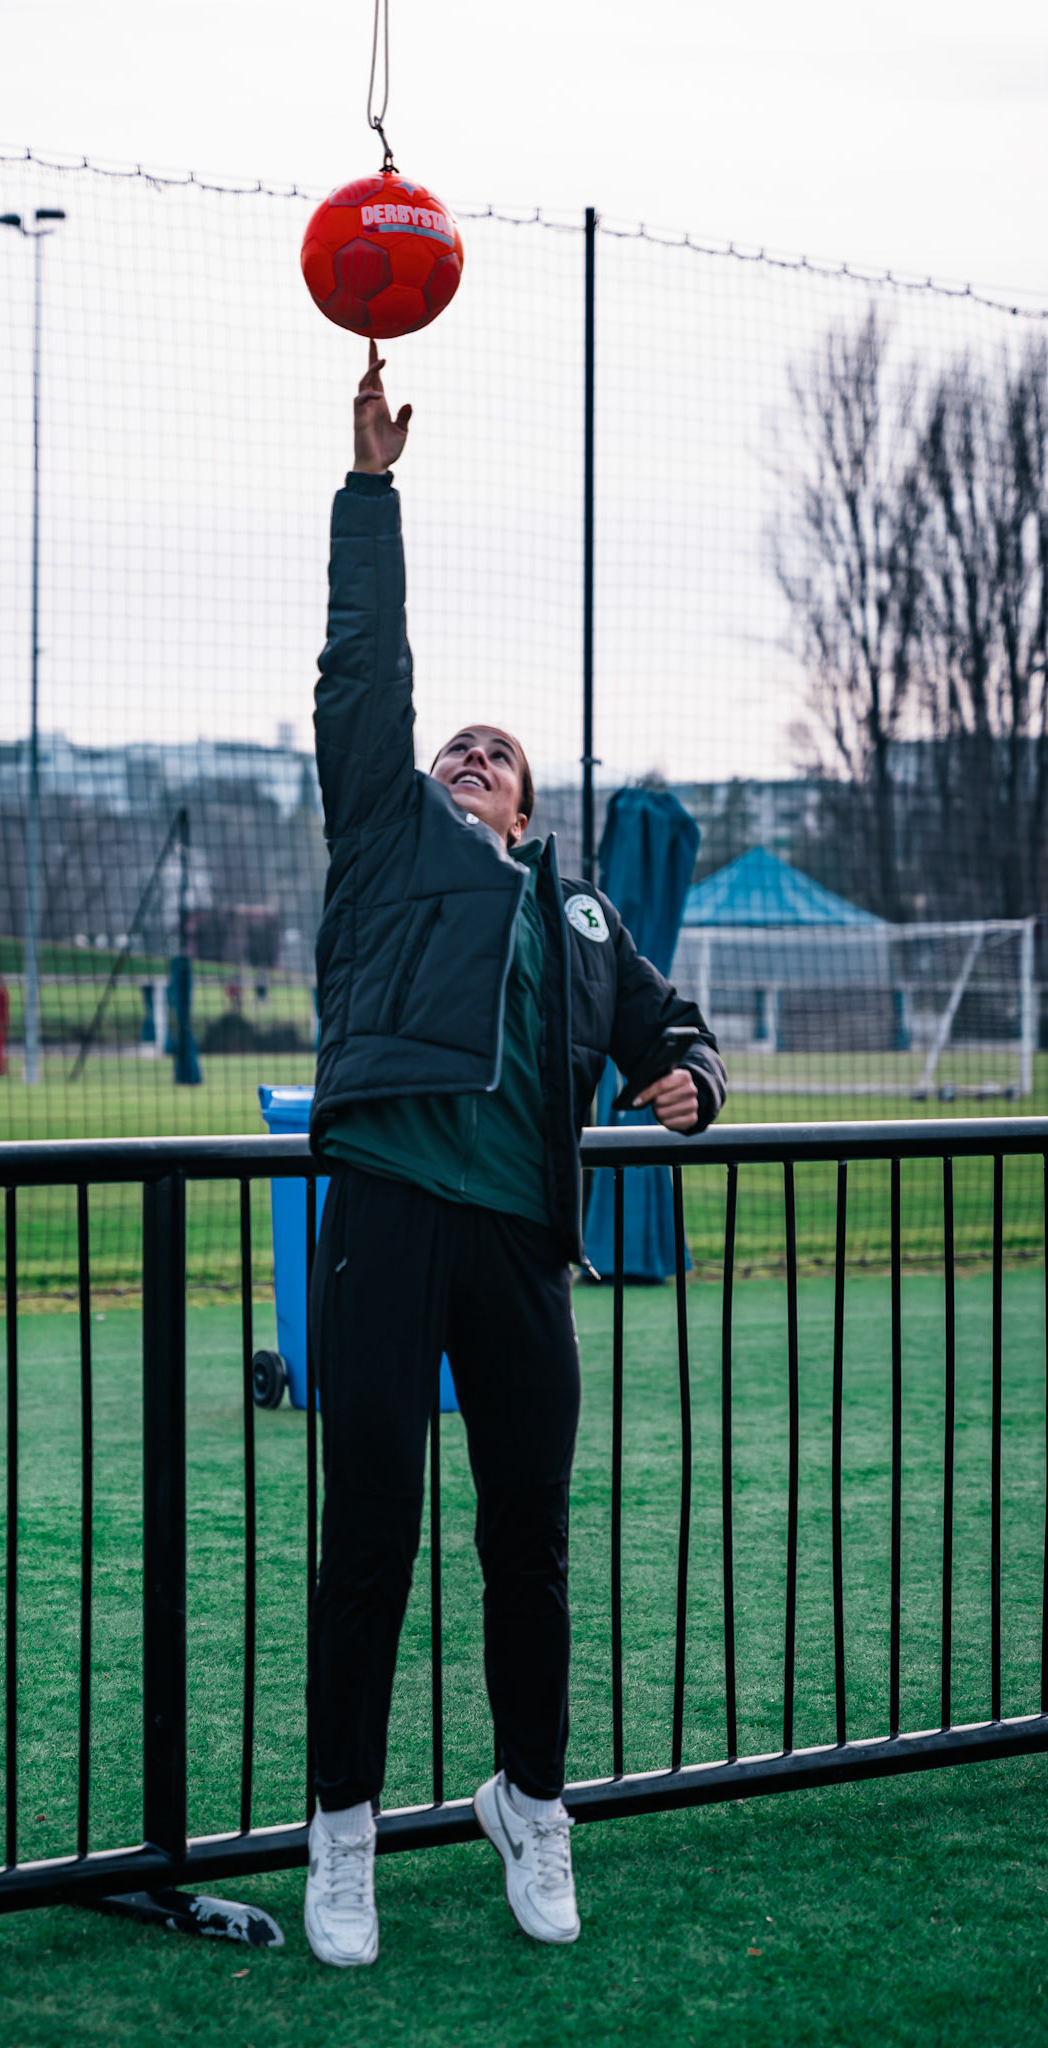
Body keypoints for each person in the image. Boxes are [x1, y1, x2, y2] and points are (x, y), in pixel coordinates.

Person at [302, 341, 726, 1968]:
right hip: (392, 1213)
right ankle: (340, 1828)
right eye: (454, 746)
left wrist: (687, 1077)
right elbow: (364, 675)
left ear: (532, 806)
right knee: (371, 1540)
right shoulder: (386, 840)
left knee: (526, 1547)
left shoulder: (582, 911)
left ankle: (529, 1806)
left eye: (501, 753)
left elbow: (666, 1031)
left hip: (517, 1252)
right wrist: (369, 491)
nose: (470, 752)